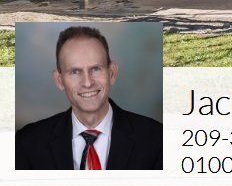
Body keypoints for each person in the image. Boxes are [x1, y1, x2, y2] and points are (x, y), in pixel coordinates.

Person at [15, 26, 162, 170]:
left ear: (112, 73)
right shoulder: (27, 143)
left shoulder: (158, 139)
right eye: (75, 72)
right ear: (59, 80)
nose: (87, 83)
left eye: (96, 69)